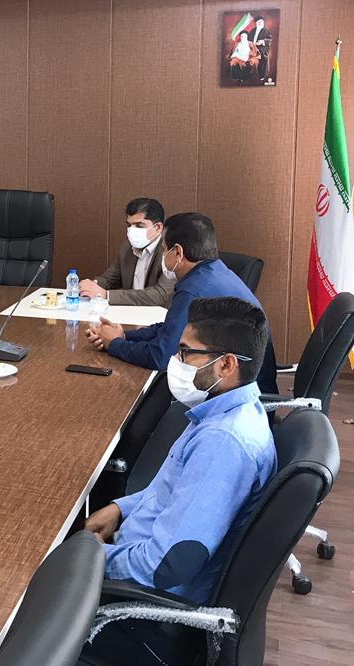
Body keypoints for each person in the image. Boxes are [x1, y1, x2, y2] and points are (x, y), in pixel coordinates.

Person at [79, 297, 278, 663]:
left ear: (226, 364)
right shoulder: (221, 412)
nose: (176, 360)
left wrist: (90, 559)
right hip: (137, 570)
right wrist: (121, 508)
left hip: (143, 616)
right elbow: (169, 491)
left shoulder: (223, 443)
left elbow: (164, 567)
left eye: (186, 353)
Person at [85, 212, 278, 393]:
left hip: (237, 397)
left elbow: (161, 357)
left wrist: (115, 344)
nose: (162, 256)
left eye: (163, 250)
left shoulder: (193, 290)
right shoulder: (215, 271)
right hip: (245, 388)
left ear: (178, 252)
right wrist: (125, 336)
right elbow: (169, 329)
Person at [80, 197, 174, 307]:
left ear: (158, 227)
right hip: (130, 312)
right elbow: (110, 279)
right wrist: (91, 286)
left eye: (139, 225)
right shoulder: (127, 247)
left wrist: (106, 295)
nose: (132, 230)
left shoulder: (170, 252)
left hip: (159, 315)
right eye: (129, 225)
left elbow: (160, 295)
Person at [249, 16, 273, 81]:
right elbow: (248, 39)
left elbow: (269, 39)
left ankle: (261, 76)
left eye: (261, 22)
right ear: (256, 23)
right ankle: (250, 75)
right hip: (252, 49)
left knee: (263, 58)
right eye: (259, 22)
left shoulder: (266, 31)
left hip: (262, 49)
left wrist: (262, 41)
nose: (260, 23)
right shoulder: (252, 31)